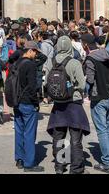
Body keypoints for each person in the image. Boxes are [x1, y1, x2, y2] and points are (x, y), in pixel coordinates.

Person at [46, 36, 90, 174]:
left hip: (58, 103)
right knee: (75, 139)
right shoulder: (74, 63)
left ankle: (60, 166)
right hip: (73, 102)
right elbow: (82, 85)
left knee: (58, 136)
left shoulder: (50, 61)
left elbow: (46, 82)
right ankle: (76, 169)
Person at [82, 33, 109, 173]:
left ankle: (107, 162)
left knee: (102, 130)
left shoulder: (91, 58)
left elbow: (90, 80)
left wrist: (84, 91)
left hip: (98, 97)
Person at [14, 40, 44, 172]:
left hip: (16, 101)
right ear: (30, 50)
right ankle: (29, 163)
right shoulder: (30, 65)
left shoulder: (17, 62)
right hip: (27, 102)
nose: (36, 54)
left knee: (19, 131)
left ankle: (19, 159)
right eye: (35, 51)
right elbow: (32, 87)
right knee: (30, 133)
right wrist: (36, 103)